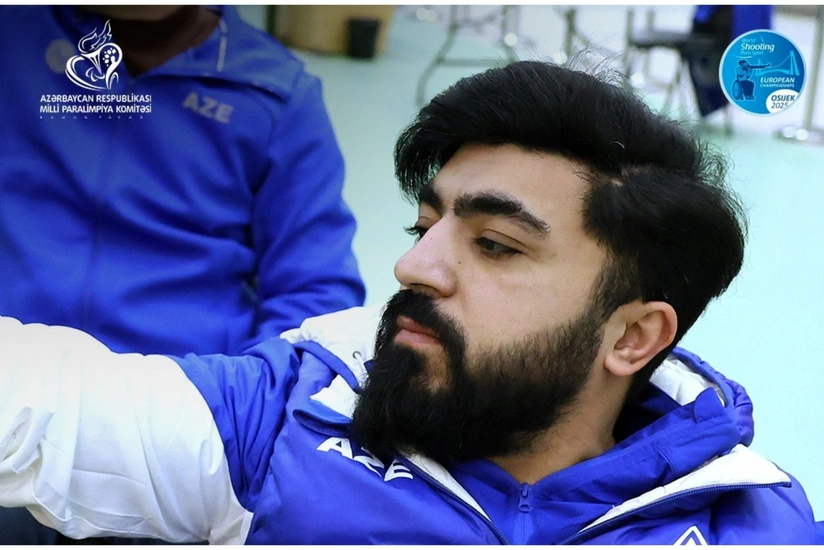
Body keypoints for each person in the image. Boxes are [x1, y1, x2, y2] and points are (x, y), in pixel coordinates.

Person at [0, 61, 817, 544]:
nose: (413, 266)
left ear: (633, 337)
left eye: (495, 245)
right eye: (424, 227)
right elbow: (46, 405)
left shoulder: (752, 522)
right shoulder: (289, 415)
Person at [0, 5, 365, 544]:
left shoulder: (273, 93)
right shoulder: (13, 33)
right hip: (12, 380)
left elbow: (316, 295)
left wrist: (238, 425)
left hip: (178, 423)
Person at [0, 5, 365, 357]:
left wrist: (237, 389)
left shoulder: (274, 95)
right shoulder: (12, 41)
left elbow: (316, 297)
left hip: (185, 381)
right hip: (14, 359)